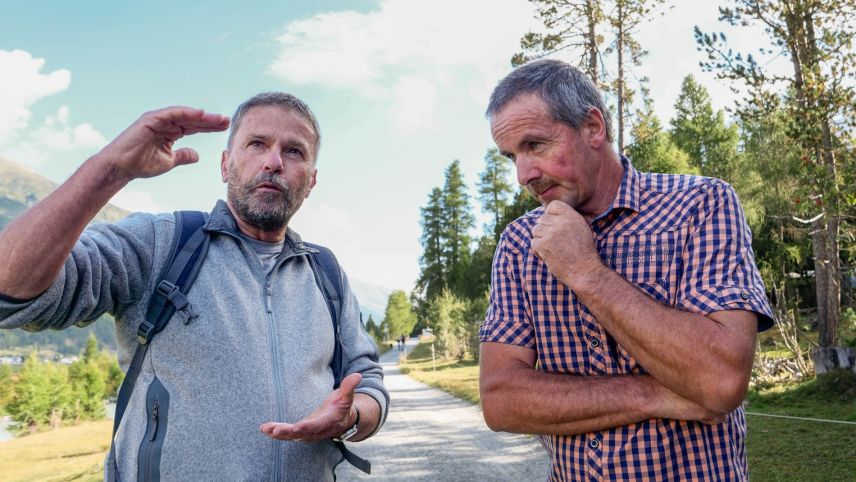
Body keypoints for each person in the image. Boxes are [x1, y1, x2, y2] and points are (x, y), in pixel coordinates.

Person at [0, 93, 388, 481]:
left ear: (311, 181)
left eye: (294, 151)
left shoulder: (324, 271)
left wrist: (351, 417)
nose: (274, 162)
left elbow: (367, 379)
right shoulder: (160, 245)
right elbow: (11, 293)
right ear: (225, 164)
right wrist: (112, 169)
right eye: (257, 144)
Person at [478, 59, 773, 481]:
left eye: (536, 145)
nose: (524, 174)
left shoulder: (700, 206)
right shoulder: (519, 243)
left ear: (593, 128)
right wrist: (653, 393)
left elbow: (720, 381)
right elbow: (501, 400)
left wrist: (585, 271)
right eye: (511, 157)